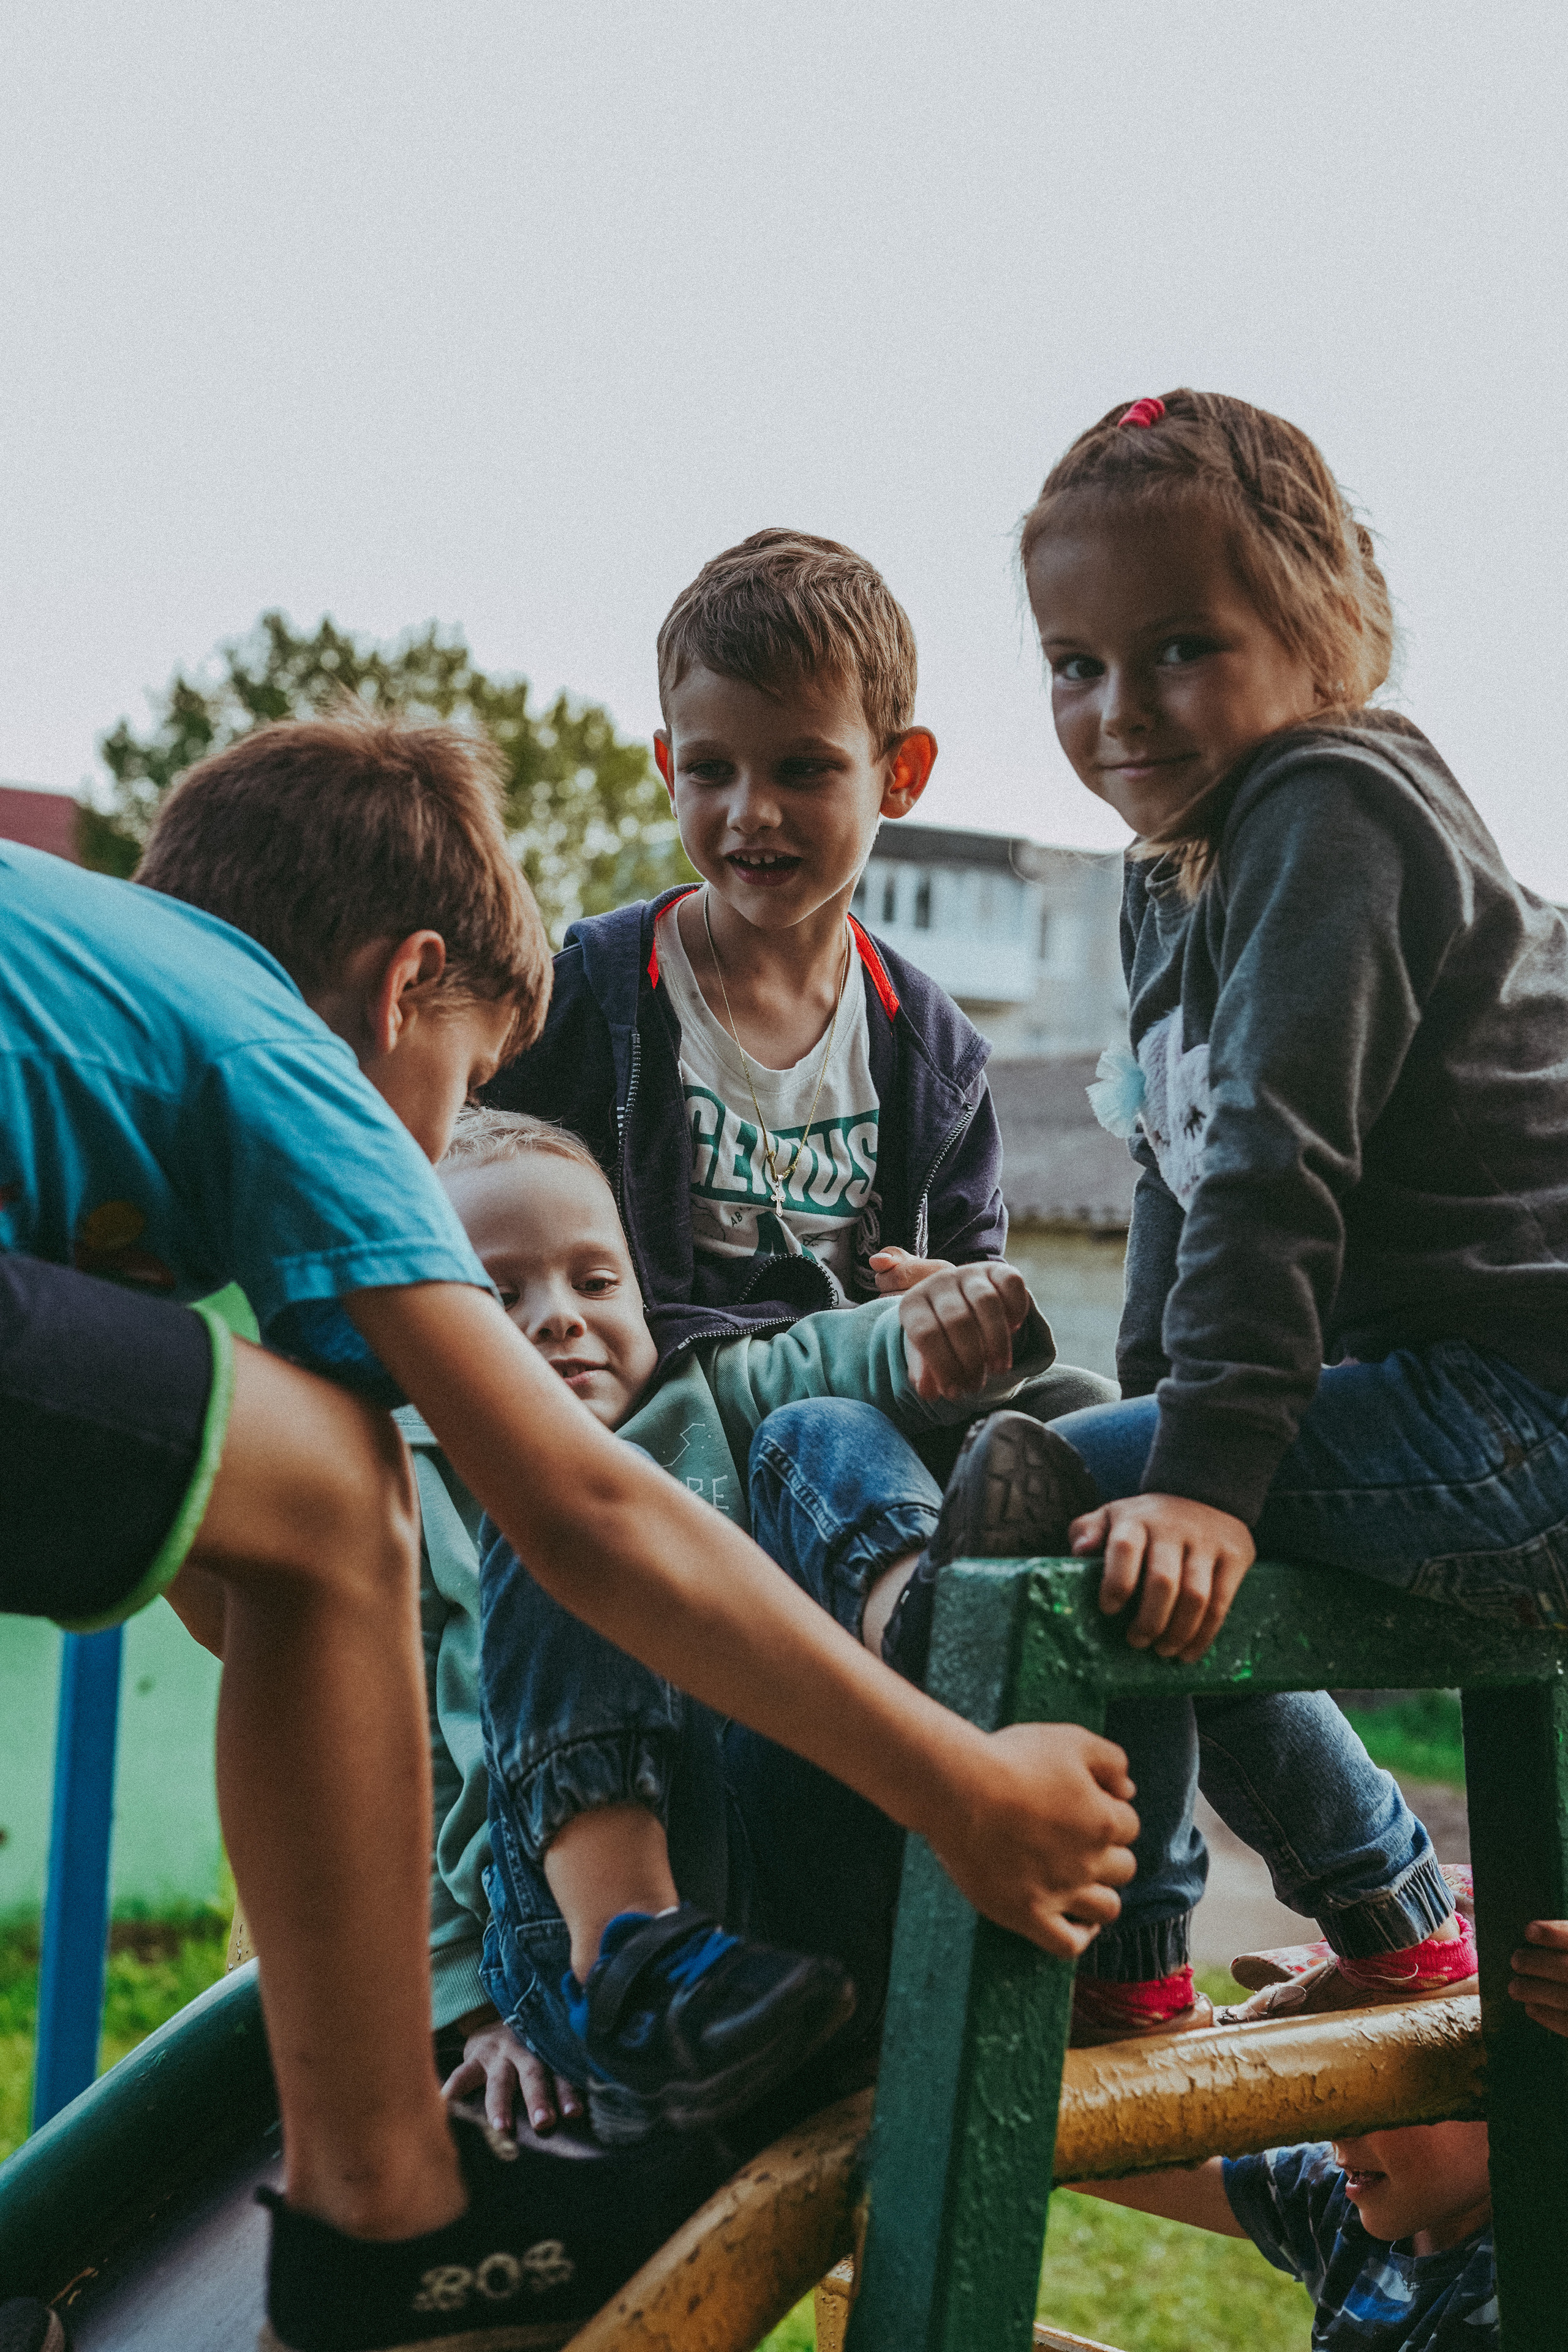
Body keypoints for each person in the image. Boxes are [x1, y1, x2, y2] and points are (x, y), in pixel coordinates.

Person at [0, 710, 1139, 2352]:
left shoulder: (104, 1007)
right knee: (332, 1477)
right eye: (457, 1082)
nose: (434, 1140)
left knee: (319, 1487)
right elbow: (588, 1507)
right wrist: (963, 1787)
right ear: (404, 988)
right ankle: (382, 2214)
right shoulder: (280, 1057)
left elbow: (278, 1620)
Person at [973, 385, 1568, 2045]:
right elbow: (1178, 1185)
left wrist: (1210, 1473)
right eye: (1073, 664)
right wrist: (1179, 1438)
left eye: (1178, 648)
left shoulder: (1331, 807)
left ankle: (1127, 1963)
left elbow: (1275, 1165)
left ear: (1322, 633)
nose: (1118, 708)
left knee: (1059, 1497)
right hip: (1443, 1404)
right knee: (1118, 1472)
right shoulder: (1174, 875)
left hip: (1530, 1415)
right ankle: (1386, 1918)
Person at [408, 1107, 1116, 2143]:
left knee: (821, 1428)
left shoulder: (706, 1391)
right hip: (565, 1940)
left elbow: (837, 1355)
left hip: (780, 1898)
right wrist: (470, 2010)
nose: (559, 1317)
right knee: (566, 1513)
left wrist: (940, 1324)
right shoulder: (422, 1480)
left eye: (594, 1282)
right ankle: (632, 1955)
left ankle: (928, 1634)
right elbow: (408, 1763)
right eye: (498, 1295)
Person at [483, 527, 1009, 1359]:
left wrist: (958, 1304)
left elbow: (975, 1274)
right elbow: (462, 1204)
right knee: (827, 1431)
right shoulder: (590, 1001)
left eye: (803, 769)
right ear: (667, 769)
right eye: (711, 770)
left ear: (899, 773)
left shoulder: (931, 1054)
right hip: (675, 1409)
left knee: (1080, 1402)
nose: (750, 812)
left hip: (871, 1392)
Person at [1072, 2119, 1497, 2348]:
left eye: (1398, 2091)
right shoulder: (1339, 2196)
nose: (1339, 2125)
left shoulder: (1544, 2253)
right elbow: (1097, 2156)